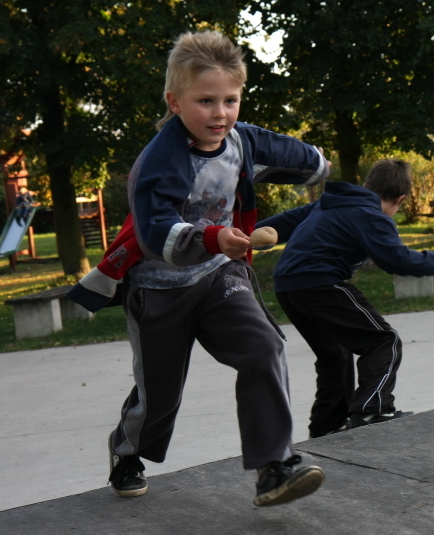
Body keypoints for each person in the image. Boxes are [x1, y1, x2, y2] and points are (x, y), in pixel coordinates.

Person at [103, 30, 330, 507]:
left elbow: (304, 160)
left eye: (231, 99)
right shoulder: (158, 163)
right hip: (160, 286)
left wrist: (317, 164)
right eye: (206, 101)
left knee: (263, 345)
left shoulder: (240, 141)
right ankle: (127, 450)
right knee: (160, 394)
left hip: (218, 276)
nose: (221, 113)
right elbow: (157, 234)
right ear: (175, 101)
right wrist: (212, 237)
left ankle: (274, 466)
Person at [256, 159, 434, 439]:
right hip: (320, 283)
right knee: (383, 341)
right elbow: (397, 259)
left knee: (335, 353)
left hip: (287, 286)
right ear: (401, 199)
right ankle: (372, 409)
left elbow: (282, 224)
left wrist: (242, 236)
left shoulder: (330, 202)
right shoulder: (371, 215)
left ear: (368, 184)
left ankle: (327, 426)